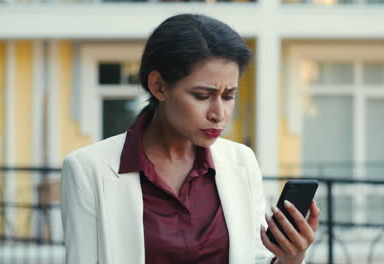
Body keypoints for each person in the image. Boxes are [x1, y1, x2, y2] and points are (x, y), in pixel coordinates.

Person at [60, 13, 320, 264]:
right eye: (202, 96)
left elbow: (254, 258)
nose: (219, 114)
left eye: (229, 96)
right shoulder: (87, 170)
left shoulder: (241, 161)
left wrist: (290, 259)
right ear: (159, 86)